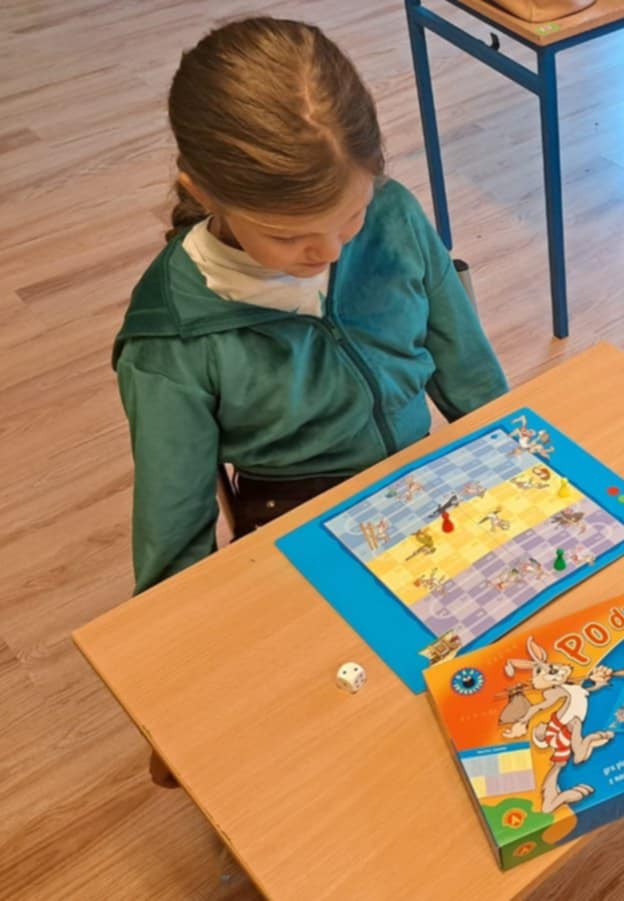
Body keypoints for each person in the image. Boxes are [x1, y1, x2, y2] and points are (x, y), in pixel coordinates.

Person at [114, 16, 507, 595]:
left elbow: (469, 371)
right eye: (287, 236)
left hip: (422, 486)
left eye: (351, 216)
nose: (328, 253)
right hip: (294, 530)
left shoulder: (394, 215)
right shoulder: (171, 342)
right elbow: (173, 544)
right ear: (204, 194)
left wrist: (515, 461)